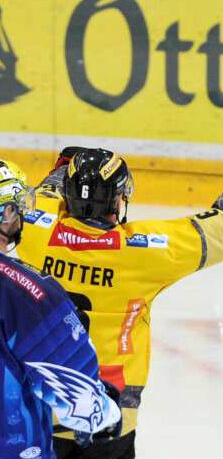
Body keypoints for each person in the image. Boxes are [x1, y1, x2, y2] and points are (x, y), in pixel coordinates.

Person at [15, 145, 223, 457]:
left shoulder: (31, 229)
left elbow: (44, 192)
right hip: (107, 420)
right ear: (118, 200)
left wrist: (68, 169)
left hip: (35, 410)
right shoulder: (144, 252)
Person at [0, 159, 121, 459]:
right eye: (17, 206)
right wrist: (109, 411)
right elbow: (83, 408)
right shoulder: (30, 293)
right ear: (6, 214)